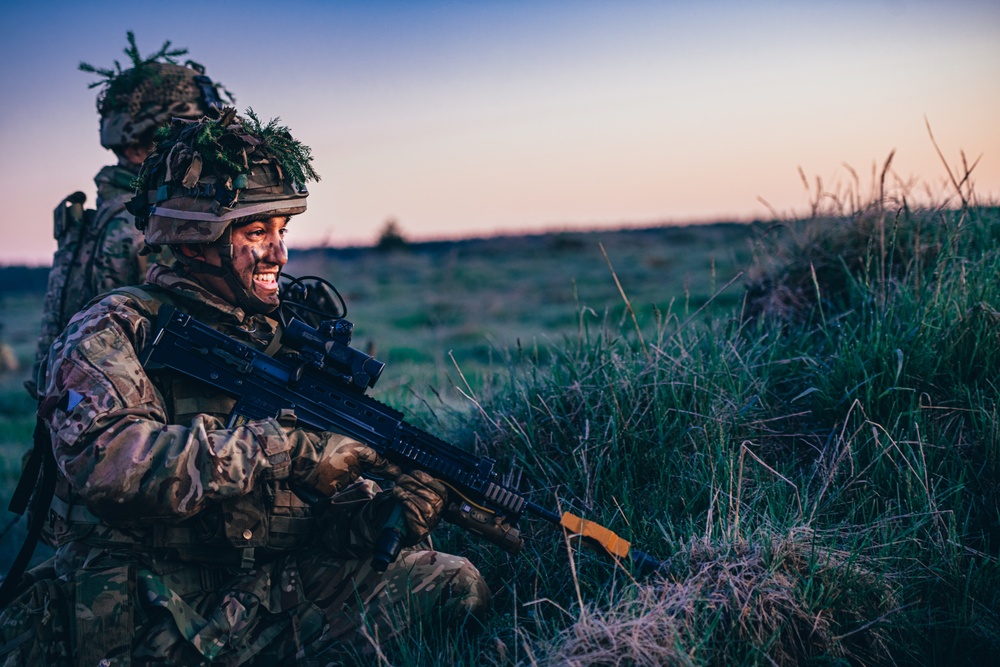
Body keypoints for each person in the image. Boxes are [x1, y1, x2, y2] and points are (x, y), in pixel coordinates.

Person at [0, 110, 489, 665]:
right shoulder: (114, 330)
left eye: (282, 232)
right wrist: (286, 449)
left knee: (451, 584)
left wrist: (377, 517)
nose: (279, 254)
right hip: (144, 612)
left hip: (252, 592)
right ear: (193, 240)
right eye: (257, 233)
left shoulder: (276, 339)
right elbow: (112, 464)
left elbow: (298, 513)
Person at [27, 32, 234, 398]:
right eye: (188, 136)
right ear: (143, 142)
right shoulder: (147, 226)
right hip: (129, 429)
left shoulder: (101, 215)